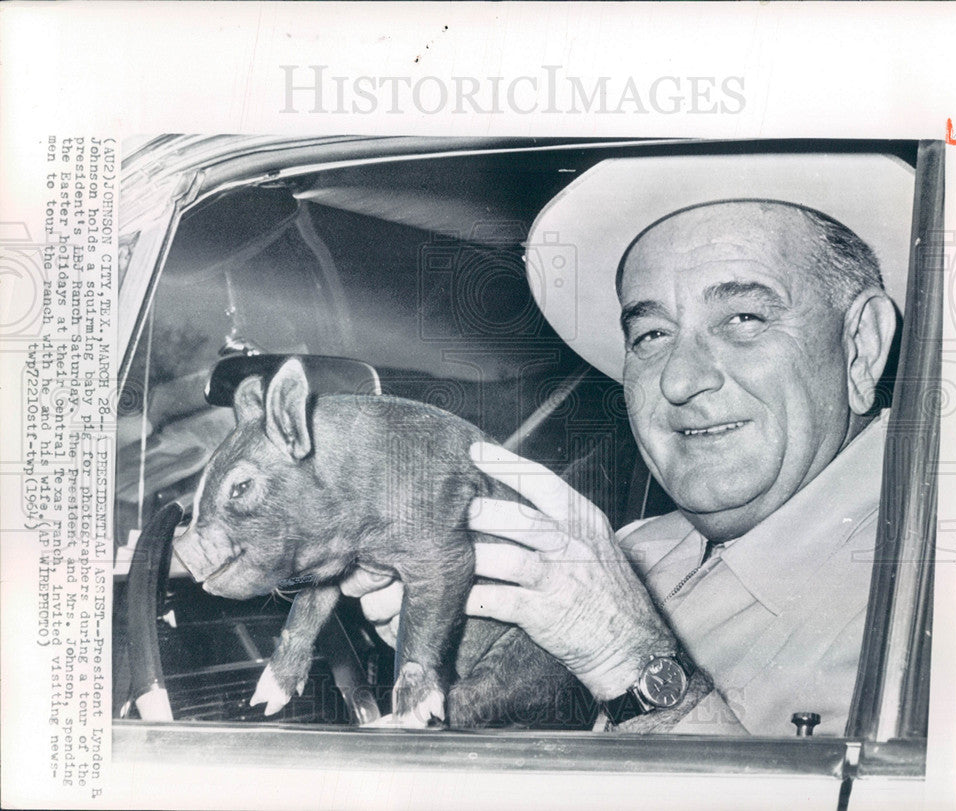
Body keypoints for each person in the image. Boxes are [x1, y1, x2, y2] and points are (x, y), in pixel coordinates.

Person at [342, 157, 907, 736]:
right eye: (652, 334)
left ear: (861, 345)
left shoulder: (942, 590)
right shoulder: (634, 549)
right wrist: (463, 643)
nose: (679, 380)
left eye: (743, 317)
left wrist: (626, 655)